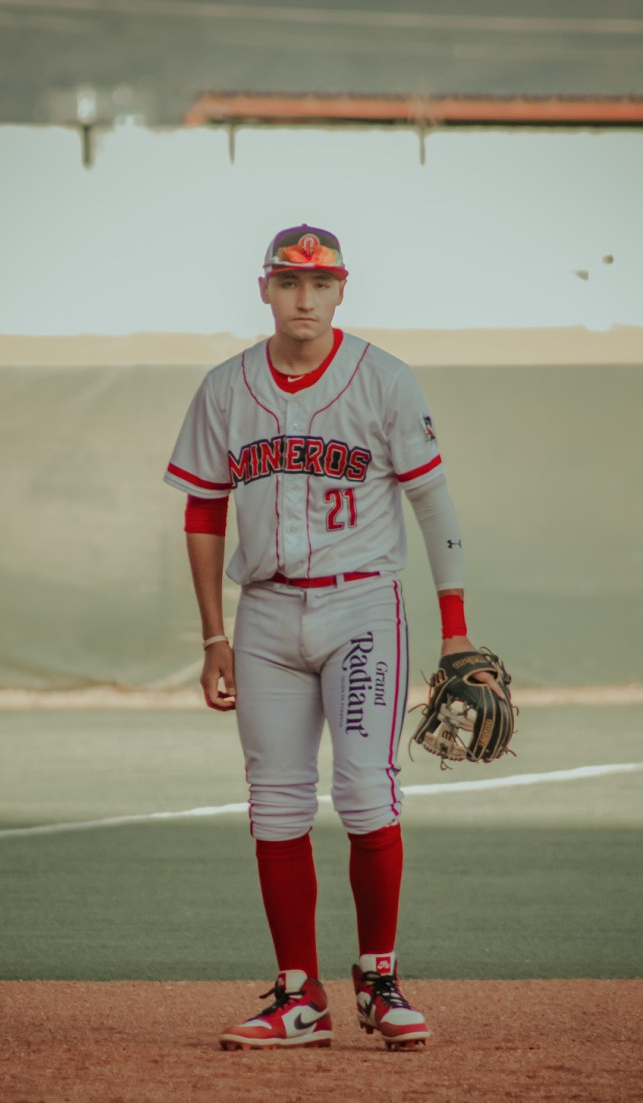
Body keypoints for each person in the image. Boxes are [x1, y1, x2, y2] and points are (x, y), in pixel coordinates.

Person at [164, 224, 503, 1051]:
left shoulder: (382, 380)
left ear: (342, 291)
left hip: (361, 609)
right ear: (265, 290)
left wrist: (455, 630)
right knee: (275, 801)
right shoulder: (226, 387)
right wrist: (214, 634)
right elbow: (203, 508)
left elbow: (434, 505)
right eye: (288, 282)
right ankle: (297, 997)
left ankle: (380, 981)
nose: (304, 298)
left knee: (362, 791)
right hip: (267, 614)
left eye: (320, 283)